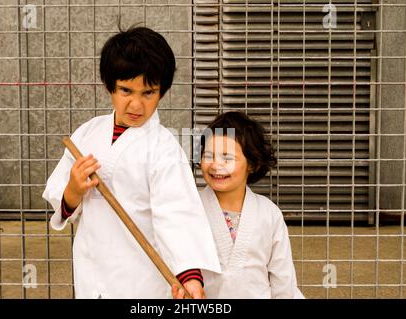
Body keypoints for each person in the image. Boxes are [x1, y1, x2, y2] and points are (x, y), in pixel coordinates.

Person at [42, 26, 221, 299]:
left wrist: (190, 277)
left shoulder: (164, 148)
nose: (136, 105)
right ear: (109, 86)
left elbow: (177, 213)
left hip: (142, 277)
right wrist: (73, 192)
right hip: (92, 267)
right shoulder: (87, 134)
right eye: (126, 90)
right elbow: (60, 197)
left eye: (148, 93)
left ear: (162, 92)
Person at [172, 111, 304, 299]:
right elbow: (178, 261)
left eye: (227, 158)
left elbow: (283, 280)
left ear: (252, 164)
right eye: (208, 155)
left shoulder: (269, 214)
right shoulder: (191, 209)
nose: (216, 165)